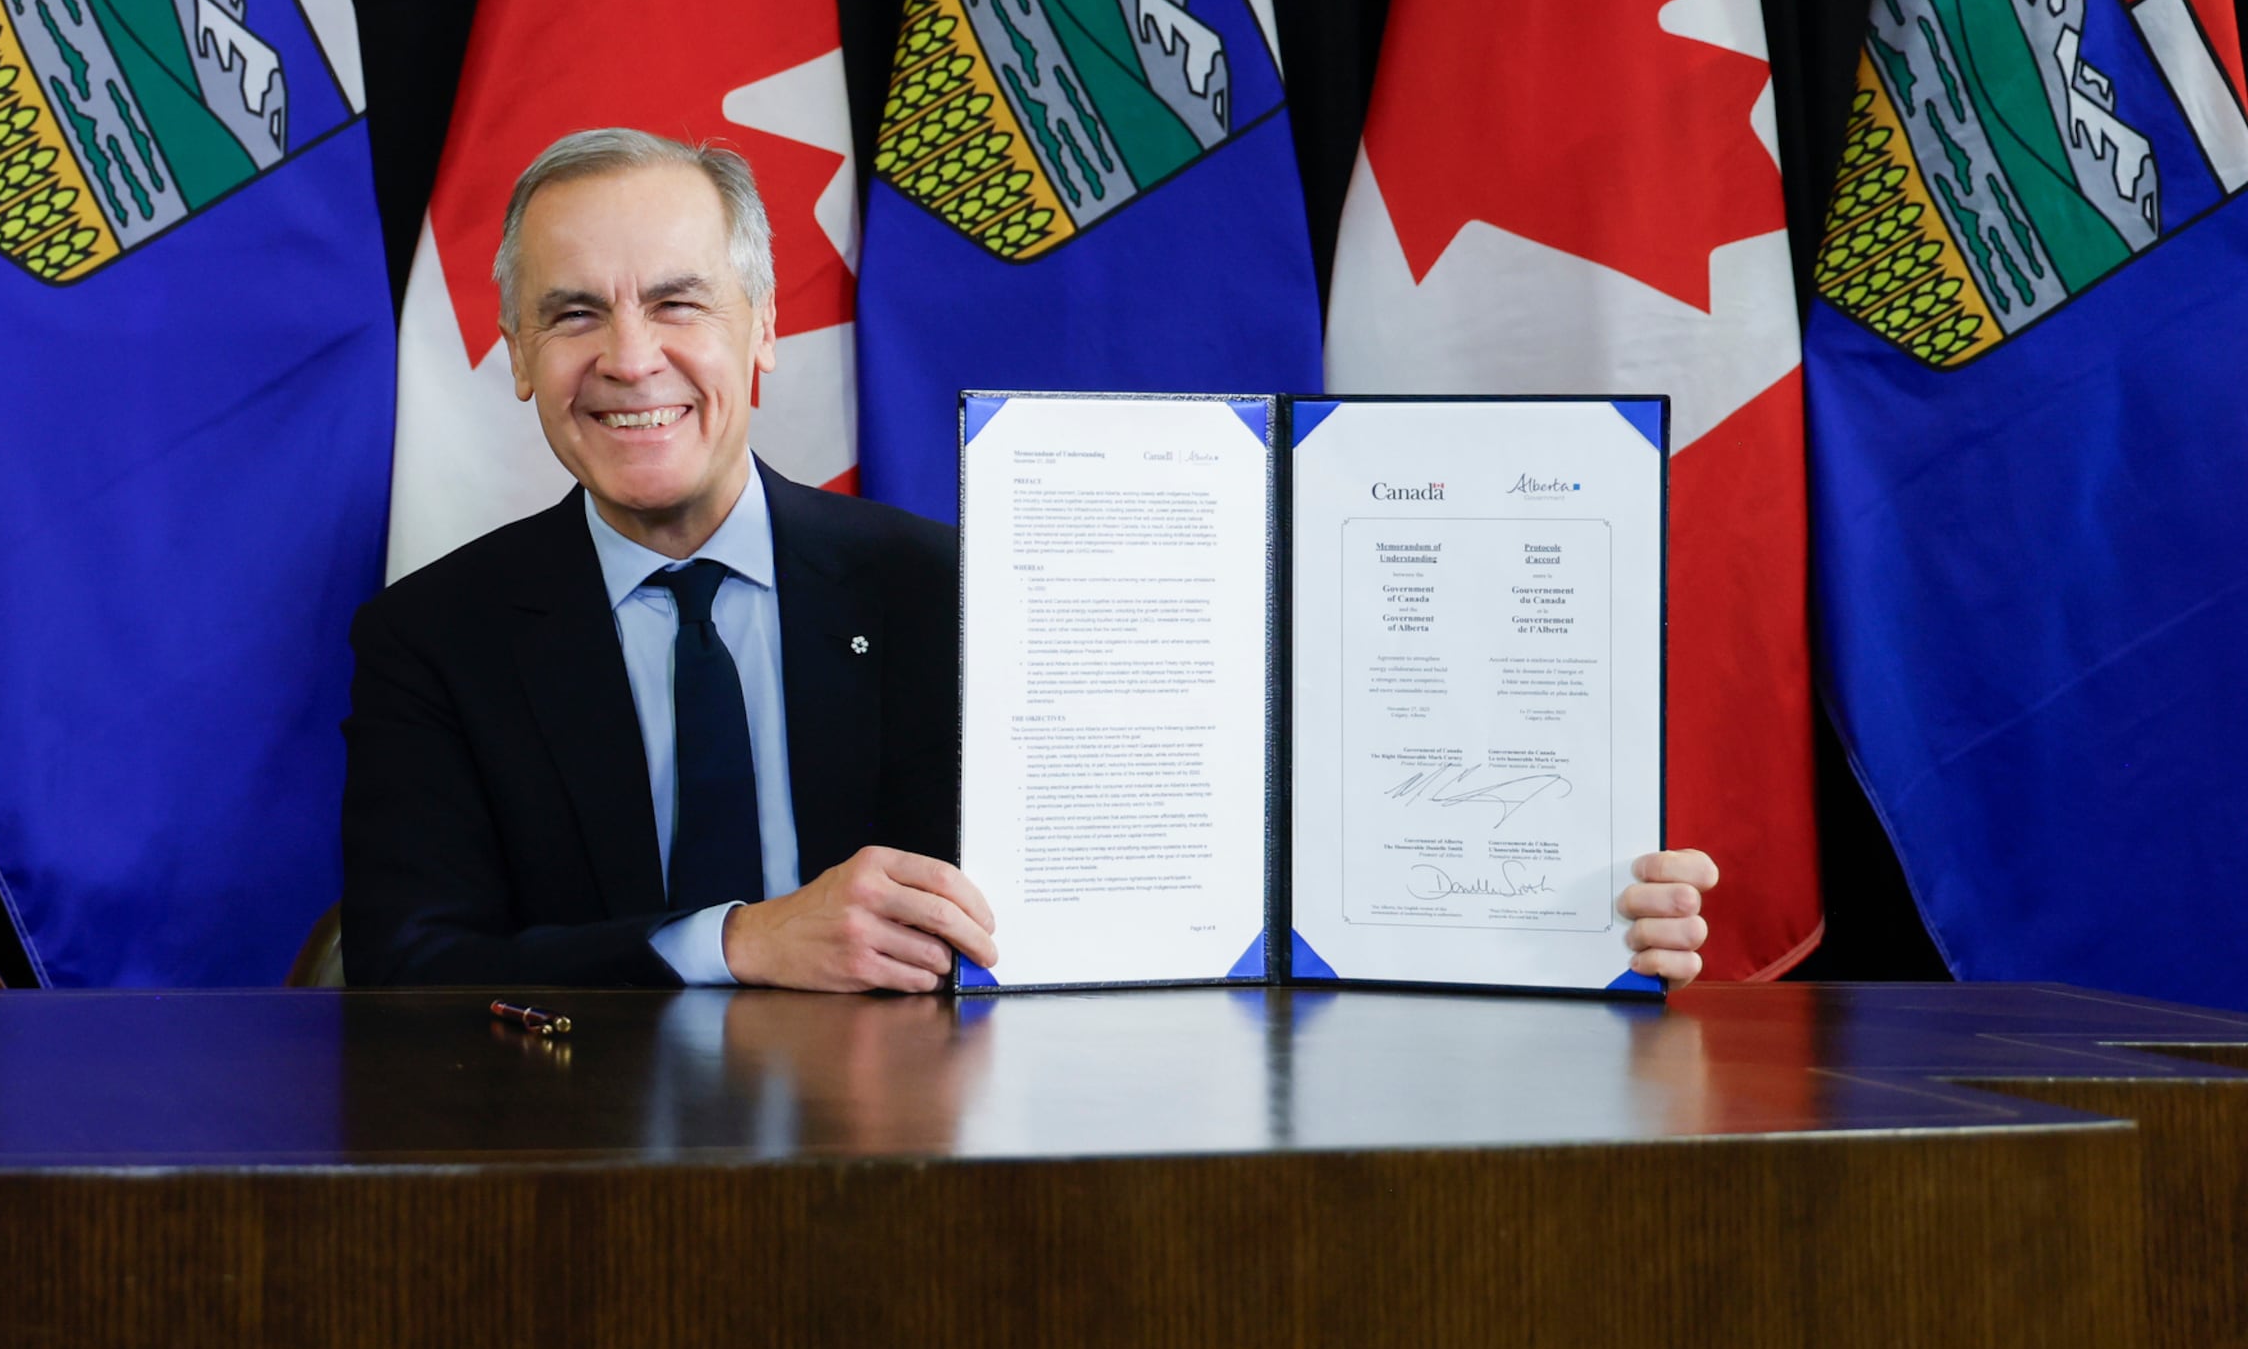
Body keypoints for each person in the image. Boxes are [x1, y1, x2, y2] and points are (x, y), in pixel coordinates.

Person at [343, 127, 1722, 991]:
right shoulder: (434, 641)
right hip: (577, 1186)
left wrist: (1557, 914)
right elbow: (410, 972)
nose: (631, 357)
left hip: (945, 1186)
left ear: (764, 334)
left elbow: (1224, 884)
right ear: (517, 356)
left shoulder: (967, 592)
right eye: (574, 313)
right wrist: (739, 943)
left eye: (679, 303)